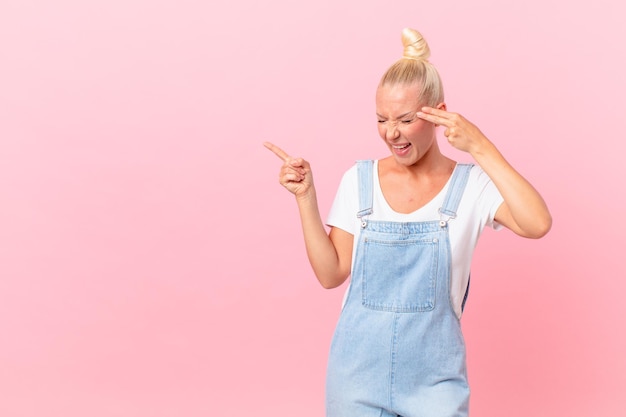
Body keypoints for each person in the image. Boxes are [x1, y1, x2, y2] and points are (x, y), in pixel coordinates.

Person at [264, 27, 551, 417]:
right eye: (381, 119)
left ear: (438, 113)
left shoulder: (471, 186)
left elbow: (537, 223)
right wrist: (305, 198)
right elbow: (331, 274)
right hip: (356, 381)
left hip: (435, 384)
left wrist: (479, 145)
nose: (391, 133)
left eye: (404, 119)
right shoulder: (359, 180)